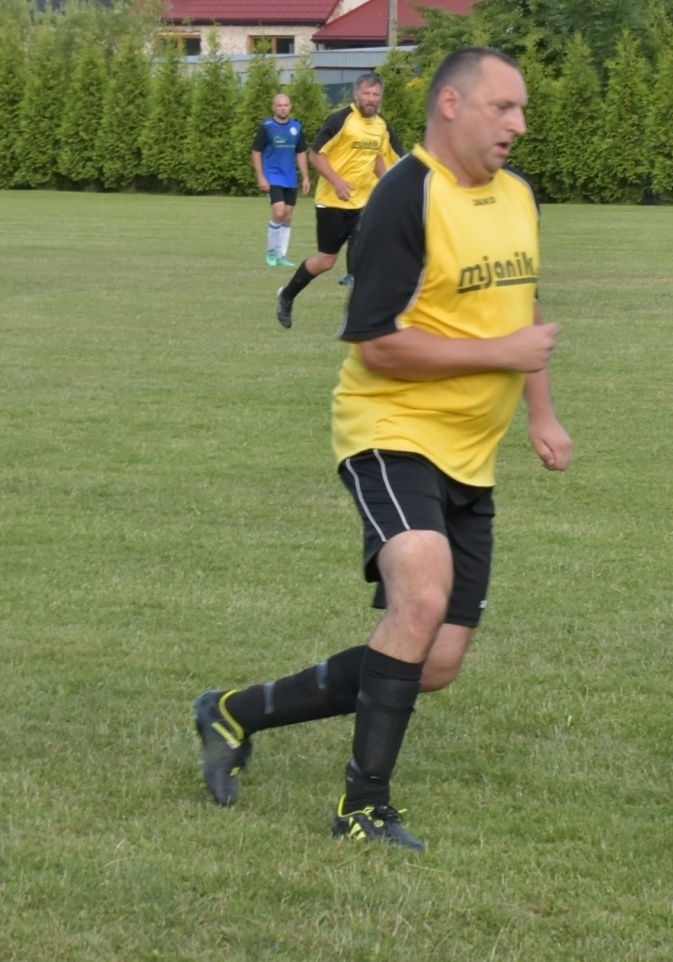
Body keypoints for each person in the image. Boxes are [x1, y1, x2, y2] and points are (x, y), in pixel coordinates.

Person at [197, 47, 569, 852]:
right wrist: (501, 359)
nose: (519, 125)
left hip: (473, 452)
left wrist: (541, 413)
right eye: (503, 108)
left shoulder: (519, 196)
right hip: (389, 429)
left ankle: (234, 711)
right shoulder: (406, 198)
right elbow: (376, 346)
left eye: (522, 109)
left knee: (434, 662)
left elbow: (524, 309)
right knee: (422, 595)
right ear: (451, 106)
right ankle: (362, 807)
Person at [275, 72, 404, 328]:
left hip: (364, 203)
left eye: (375, 95)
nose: (370, 99)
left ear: (381, 97)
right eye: (366, 94)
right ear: (356, 94)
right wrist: (337, 181)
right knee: (326, 260)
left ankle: (358, 318)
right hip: (333, 202)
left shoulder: (380, 126)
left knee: (368, 260)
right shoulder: (340, 120)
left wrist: (391, 187)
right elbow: (316, 156)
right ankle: (287, 295)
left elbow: (378, 161)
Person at [251, 93, 311, 267]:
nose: (283, 108)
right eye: (279, 105)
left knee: (287, 217)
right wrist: (261, 177)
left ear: (290, 107)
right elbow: (256, 152)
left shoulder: (297, 127)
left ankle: (281, 255)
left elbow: (301, 153)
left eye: (286, 105)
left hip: (290, 178)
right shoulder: (267, 127)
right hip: (273, 176)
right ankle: (270, 252)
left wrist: (306, 177)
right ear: (274, 107)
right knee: (278, 213)